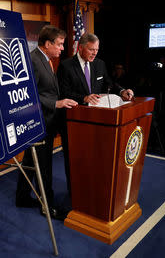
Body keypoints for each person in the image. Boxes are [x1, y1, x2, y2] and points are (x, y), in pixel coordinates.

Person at [16, 25, 77, 220]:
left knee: (30, 160)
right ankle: (47, 206)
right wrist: (56, 103)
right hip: (39, 120)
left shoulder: (46, 59)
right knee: (43, 164)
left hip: (47, 119)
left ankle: (22, 197)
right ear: (48, 43)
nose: (61, 48)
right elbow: (28, 94)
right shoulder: (33, 60)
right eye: (59, 44)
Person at [58, 33, 134, 105]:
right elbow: (63, 92)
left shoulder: (100, 64)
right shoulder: (66, 65)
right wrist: (84, 98)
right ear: (80, 48)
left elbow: (109, 84)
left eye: (96, 49)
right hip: (76, 111)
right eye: (91, 50)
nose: (95, 53)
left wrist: (122, 91)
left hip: (97, 111)